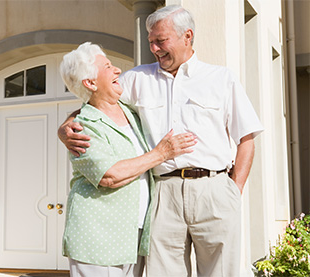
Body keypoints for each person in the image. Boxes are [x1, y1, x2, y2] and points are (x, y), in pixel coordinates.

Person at [58, 5, 264, 277]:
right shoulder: (136, 79)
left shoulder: (221, 79)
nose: (154, 48)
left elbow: (246, 138)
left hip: (214, 189)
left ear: (187, 36)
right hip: (163, 193)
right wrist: (65, 127)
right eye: (151, 42)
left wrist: (232, 192)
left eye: (161, 41)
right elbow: (98, 103)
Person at [59, 42, 197, 277]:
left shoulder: (129, 111)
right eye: (108, 66)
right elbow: (110, 176)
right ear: (90, 83)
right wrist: (161, 153)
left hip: (134, 233)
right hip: (98, 237)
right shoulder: (83, 126)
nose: (117, 71)